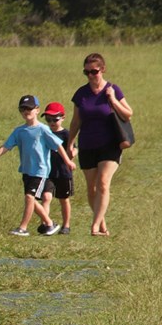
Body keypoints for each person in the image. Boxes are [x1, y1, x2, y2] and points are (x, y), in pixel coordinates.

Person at [0, 95, 77, 236]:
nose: (26, 111)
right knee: (31, 200)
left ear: (37, 110)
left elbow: (58, 145)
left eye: (29, 108)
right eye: (23, 109)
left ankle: (23, 228)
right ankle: (50, 224)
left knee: (29, 197)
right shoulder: (19, 131)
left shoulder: (43, 129)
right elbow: (7, 146)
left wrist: (68, 161)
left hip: (40, 170)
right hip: (26, 170)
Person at [67, 53, 133, 236]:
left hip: (110, 145)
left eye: (94, 71)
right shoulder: (81, 94)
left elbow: (128, 114)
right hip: (87, 144)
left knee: (103, 183)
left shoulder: (113, 89)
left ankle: (94, 226)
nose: (90, 75)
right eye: (86, 72)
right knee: (92, 188)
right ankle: (101, 221)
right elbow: (75, 122)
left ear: (102, 70)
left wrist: (112, 100)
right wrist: (69, 144)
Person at [37, 102, 76, 235]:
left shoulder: (66, 134)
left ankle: (66, 225)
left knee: (63, 199)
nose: (52, 122)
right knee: (46, 197)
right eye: (48, 119)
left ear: (63, 118)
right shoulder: (44, 133)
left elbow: (74, 148)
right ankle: (46, 223)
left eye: (55, 119)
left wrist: (73, 153)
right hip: (47, 172)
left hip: (64, 172)